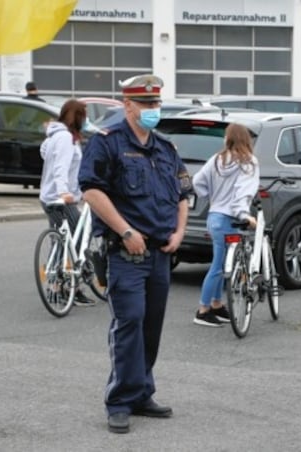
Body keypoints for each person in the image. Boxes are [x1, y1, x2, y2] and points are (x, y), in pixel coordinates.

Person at [78, 74, 192, 434]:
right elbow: (91, 192)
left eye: (156, 104)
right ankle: (120, 400)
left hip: (160, 254)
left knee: (150, 327)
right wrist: (125, 231)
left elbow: (183, 194)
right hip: (126, 254)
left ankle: (142, 392)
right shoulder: (107, 143)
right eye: (145, 104)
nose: (152, 110)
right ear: (127, 105)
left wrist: (179, 232)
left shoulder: (165, 148)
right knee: (129, 323)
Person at [191, 123, 259, 327]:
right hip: (231, 219)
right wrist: (244, 215)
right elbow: (243, 192)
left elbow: (197, 182)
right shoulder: (248, 162)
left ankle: (217, 305)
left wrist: (211, 196)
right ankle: (203, 311)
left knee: (220, 264)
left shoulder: (216, 159)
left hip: (214, 218)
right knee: (218, 266)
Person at [38, 98, 94, 306]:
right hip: (60, 198)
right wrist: (64, 191)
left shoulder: (57, 135)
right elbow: (61, 166)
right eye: (84, 116)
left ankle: (58, 286)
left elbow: (44, 151)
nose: (86, 121)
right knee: (78, 241)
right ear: (78, 117)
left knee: (62, 241)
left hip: (49, 196)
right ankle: (73, 286)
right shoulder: (65, 138)